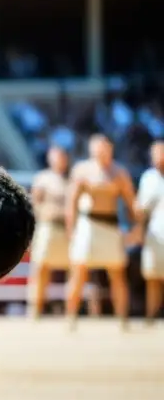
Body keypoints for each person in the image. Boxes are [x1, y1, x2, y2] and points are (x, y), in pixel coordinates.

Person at [64, 133, 139, 328]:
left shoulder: (119, 172)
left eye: (104, 148)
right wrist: (71, 230)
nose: (101, 151)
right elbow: (71, 202)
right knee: (79, 271)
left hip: (111, 226)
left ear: (110, 149)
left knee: (117, 273)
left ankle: (123, 318)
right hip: (88, 225)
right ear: (91, 149)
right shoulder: (82, 170)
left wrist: (136, 228)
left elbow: (132, 204)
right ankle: (70, 317)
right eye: (97, 148)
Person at [28, 146, 71, 318]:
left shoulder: (72, 179)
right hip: (47, 226)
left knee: (74, 270)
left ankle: (71, 311)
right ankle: (35, 309)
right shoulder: (42, 178)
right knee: (40, 268)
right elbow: (35, 204)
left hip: (68, 229)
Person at [137, 141, 164, 322]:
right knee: (153, 276)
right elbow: (141, 209)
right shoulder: (148, 178)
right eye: (155, 154)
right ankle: (151, 315)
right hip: (155, 234)